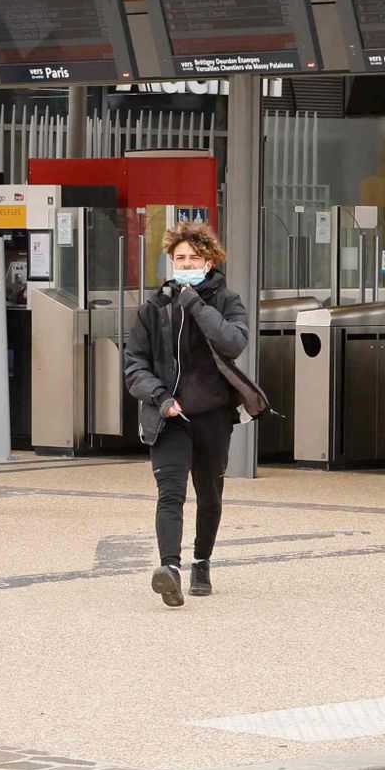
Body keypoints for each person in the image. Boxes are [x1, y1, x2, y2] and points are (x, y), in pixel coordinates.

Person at [120, 217, 249, 602]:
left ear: (209, 262)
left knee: (209, 494)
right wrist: (160, 397)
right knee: (170, 493)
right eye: (180, 258)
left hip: (212, 415)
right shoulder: (154, 306)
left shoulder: (227, 300)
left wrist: (194, 304)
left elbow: (233, 342)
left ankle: (202, 562)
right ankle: (170, 568)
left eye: (195, 258)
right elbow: (134, 363)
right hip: (168, 416)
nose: (187, 264)